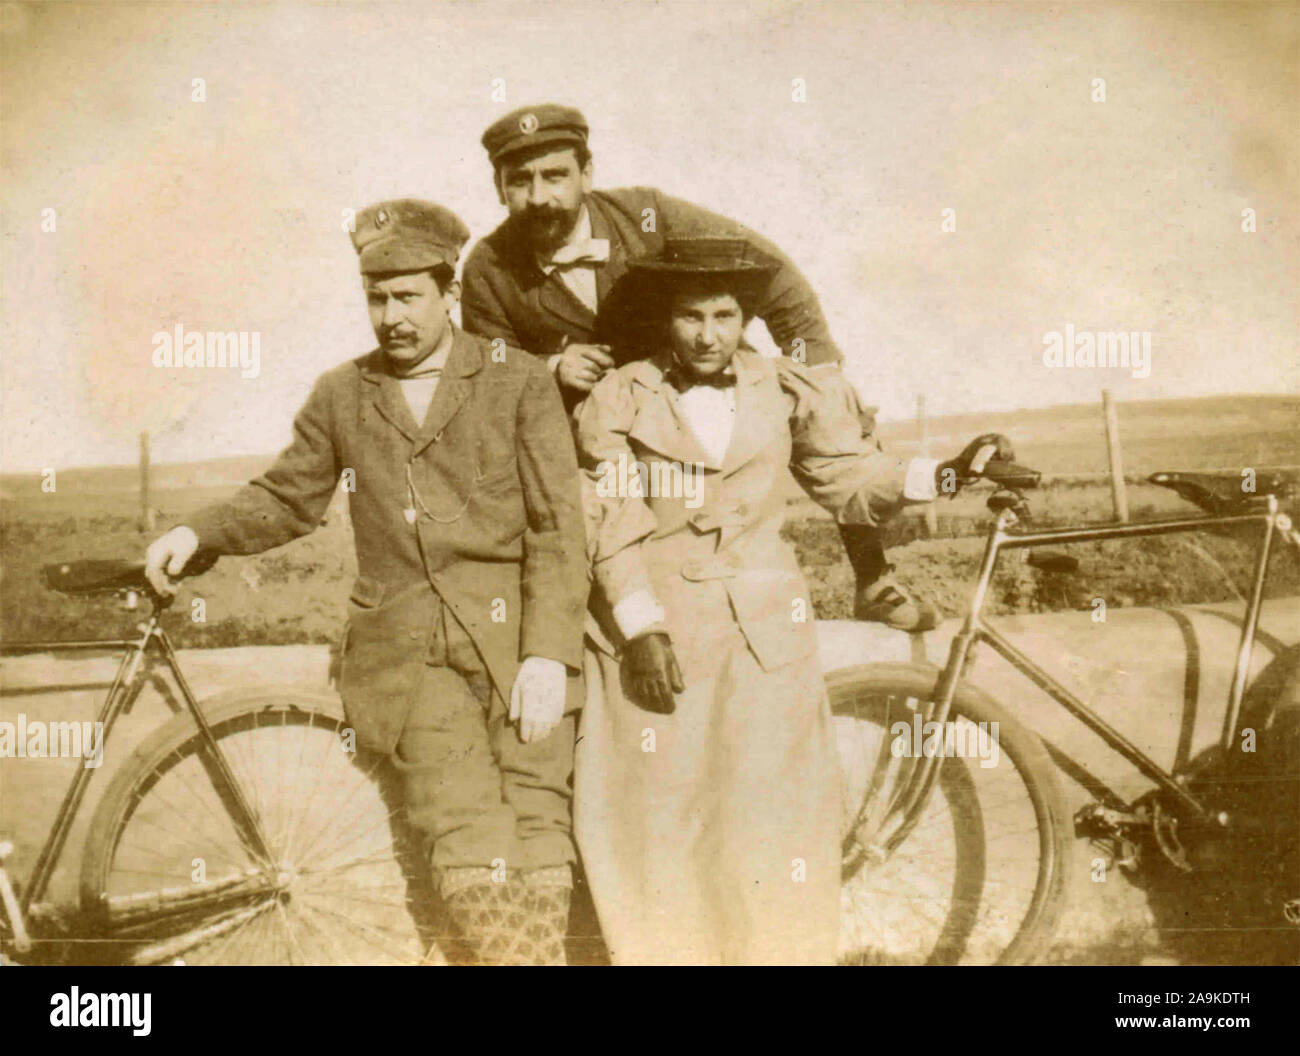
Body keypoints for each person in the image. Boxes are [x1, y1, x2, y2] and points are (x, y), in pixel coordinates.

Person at [143, 199, 588, 965]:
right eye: (375, 298)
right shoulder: (343, 393)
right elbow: (289, 497)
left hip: (518, 644)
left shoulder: (517, 383)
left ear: (448, 294)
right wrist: (198, 532)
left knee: (540, 821)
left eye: (407, 295)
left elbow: (557, 528)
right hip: (409, 657)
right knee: (467, 832)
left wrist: (548, 654)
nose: (390, 316)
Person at [572, 235, 1012, 965]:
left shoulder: (785, 388)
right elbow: (610, 520)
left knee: (773, 824)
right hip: (657, 641)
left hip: (768, 639)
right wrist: (641, 628)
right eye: (690, 317)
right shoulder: (620, 396)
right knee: (658, 821)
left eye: (723, 315)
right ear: (665, 317)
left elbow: (848, 479)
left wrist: (939, 476)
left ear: (745, 315)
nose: (707, 335)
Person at [460, 102, 937, 631]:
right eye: (520, 181)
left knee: (814, 408)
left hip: (690, 370)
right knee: (588, 503)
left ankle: (873, 576)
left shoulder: (647, 213)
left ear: (587, 174)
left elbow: (766, 267)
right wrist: (550, 367)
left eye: (556, 176)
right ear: (498, 187)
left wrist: (817, 364)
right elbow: (488, 368)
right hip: (594, 418)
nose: (540, 195)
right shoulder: (487, 267)